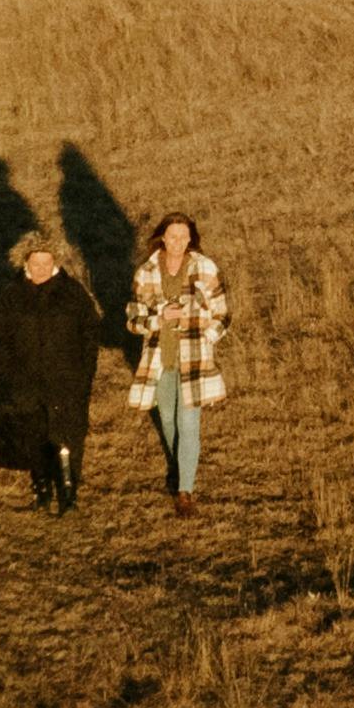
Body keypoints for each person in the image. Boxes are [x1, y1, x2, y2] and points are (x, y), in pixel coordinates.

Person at [0, 231, 109, 512]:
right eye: (35, 263)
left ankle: (68, 491)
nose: (40, 269)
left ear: (56, 263)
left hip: (66, 380)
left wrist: (83, 372)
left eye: (46, 263)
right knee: (33, 435)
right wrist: (7, 376)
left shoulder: (73, 294)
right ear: (26, 263)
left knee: (68, 435)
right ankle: (41, 490)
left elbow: (89, 334)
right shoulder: (11, 296)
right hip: (24, 381)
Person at [123, 211, 229, 511]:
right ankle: (178, 465)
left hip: (194, 359)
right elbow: (133, 320)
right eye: (173, 236)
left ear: (191, 238)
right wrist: (159, 318)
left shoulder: (205, 268)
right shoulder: (145, 273)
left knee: (189, 421)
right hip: (160, 359)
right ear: (162, 237)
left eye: (184, 236)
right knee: (167, 418)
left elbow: (223, 314)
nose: (178, 242)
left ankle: (185, 490)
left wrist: (205, 338)